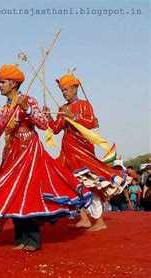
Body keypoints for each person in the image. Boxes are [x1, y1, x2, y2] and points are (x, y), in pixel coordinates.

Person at [0, 65, 92, 252]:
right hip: (13, 152)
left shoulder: (28, 100)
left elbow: (42, 124)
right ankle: (20, 238)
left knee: (28, 192)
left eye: (2, 82)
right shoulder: (6, 106)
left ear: (13, 83)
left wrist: (27, 109)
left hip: (29, 151)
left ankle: (32, 239)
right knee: (13, 192)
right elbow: (0, 126)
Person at [43, 73, 130, 231]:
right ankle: (84, 218)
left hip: (81, 151)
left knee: (89, 184)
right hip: (67, 151)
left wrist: (73, 117)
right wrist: (49, 117)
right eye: (62, 90)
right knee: (70, 184)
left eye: (66, 89)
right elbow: (56, 129)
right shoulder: (63, 108)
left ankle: (99, 221)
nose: (64, 93)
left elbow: (90, 123)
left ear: (75, 89)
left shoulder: (84, 104)